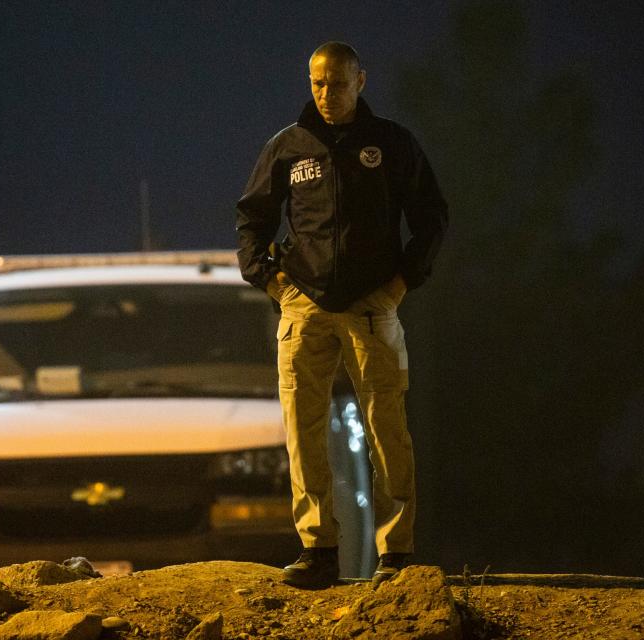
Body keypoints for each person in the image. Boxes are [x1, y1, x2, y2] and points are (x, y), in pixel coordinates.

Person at [236, 41, 448, 589]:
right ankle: (317, 550)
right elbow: (251, 219)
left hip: (372, 304)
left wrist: (402, 282)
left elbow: (431, 215)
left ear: (361, 80)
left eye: (336, 82)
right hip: (303, 304)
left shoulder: (391, 143)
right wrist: (270, 280)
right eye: (317, 83)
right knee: (302, 432)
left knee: (387, 428)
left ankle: (395, 555)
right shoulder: (288, 146)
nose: (326, 93)